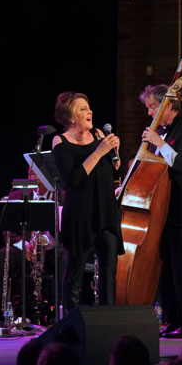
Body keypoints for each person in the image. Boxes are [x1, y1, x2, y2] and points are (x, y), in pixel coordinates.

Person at [139, 84, 182, 338]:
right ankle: (173, 320)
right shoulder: (163, 132)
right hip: (163, 212)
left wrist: (157, 143)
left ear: (168, 105)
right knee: (167, 272)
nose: (149, 113)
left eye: (152, 107)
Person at [52, 92, 124, 311]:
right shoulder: (60, 141)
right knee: (75, 272)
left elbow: (115, 168)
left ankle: (108, 318)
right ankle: (71, 322)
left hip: (105, 211)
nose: (89, 111)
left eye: (89, 107)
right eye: (82, 108)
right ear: (70, 116)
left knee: (109, 272)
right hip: (81, 215)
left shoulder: (100, 134)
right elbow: (73, 179)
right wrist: (99, 151)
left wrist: (115, 152)